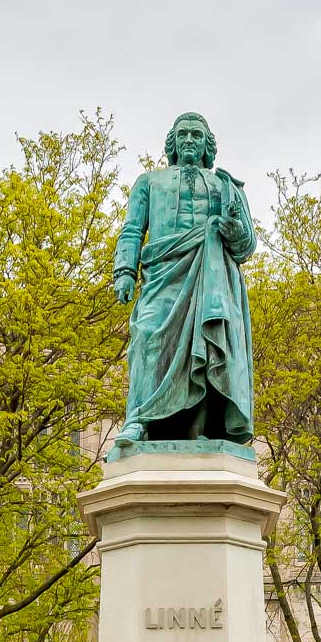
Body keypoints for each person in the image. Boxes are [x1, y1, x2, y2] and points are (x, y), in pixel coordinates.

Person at [113, 112, 256, 447]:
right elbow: (132, 231)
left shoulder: (226, 186)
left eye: (196, 135)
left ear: (207, 144)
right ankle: (138, 418)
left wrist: (235, 230)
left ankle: (204, 427)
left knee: (208, 346)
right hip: (163, 272)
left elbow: (246, 245)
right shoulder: (149, 183)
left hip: (212, 280)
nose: (189, 140)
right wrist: (124, 271)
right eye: (183, 135)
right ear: (172, 143)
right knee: (147, 335)